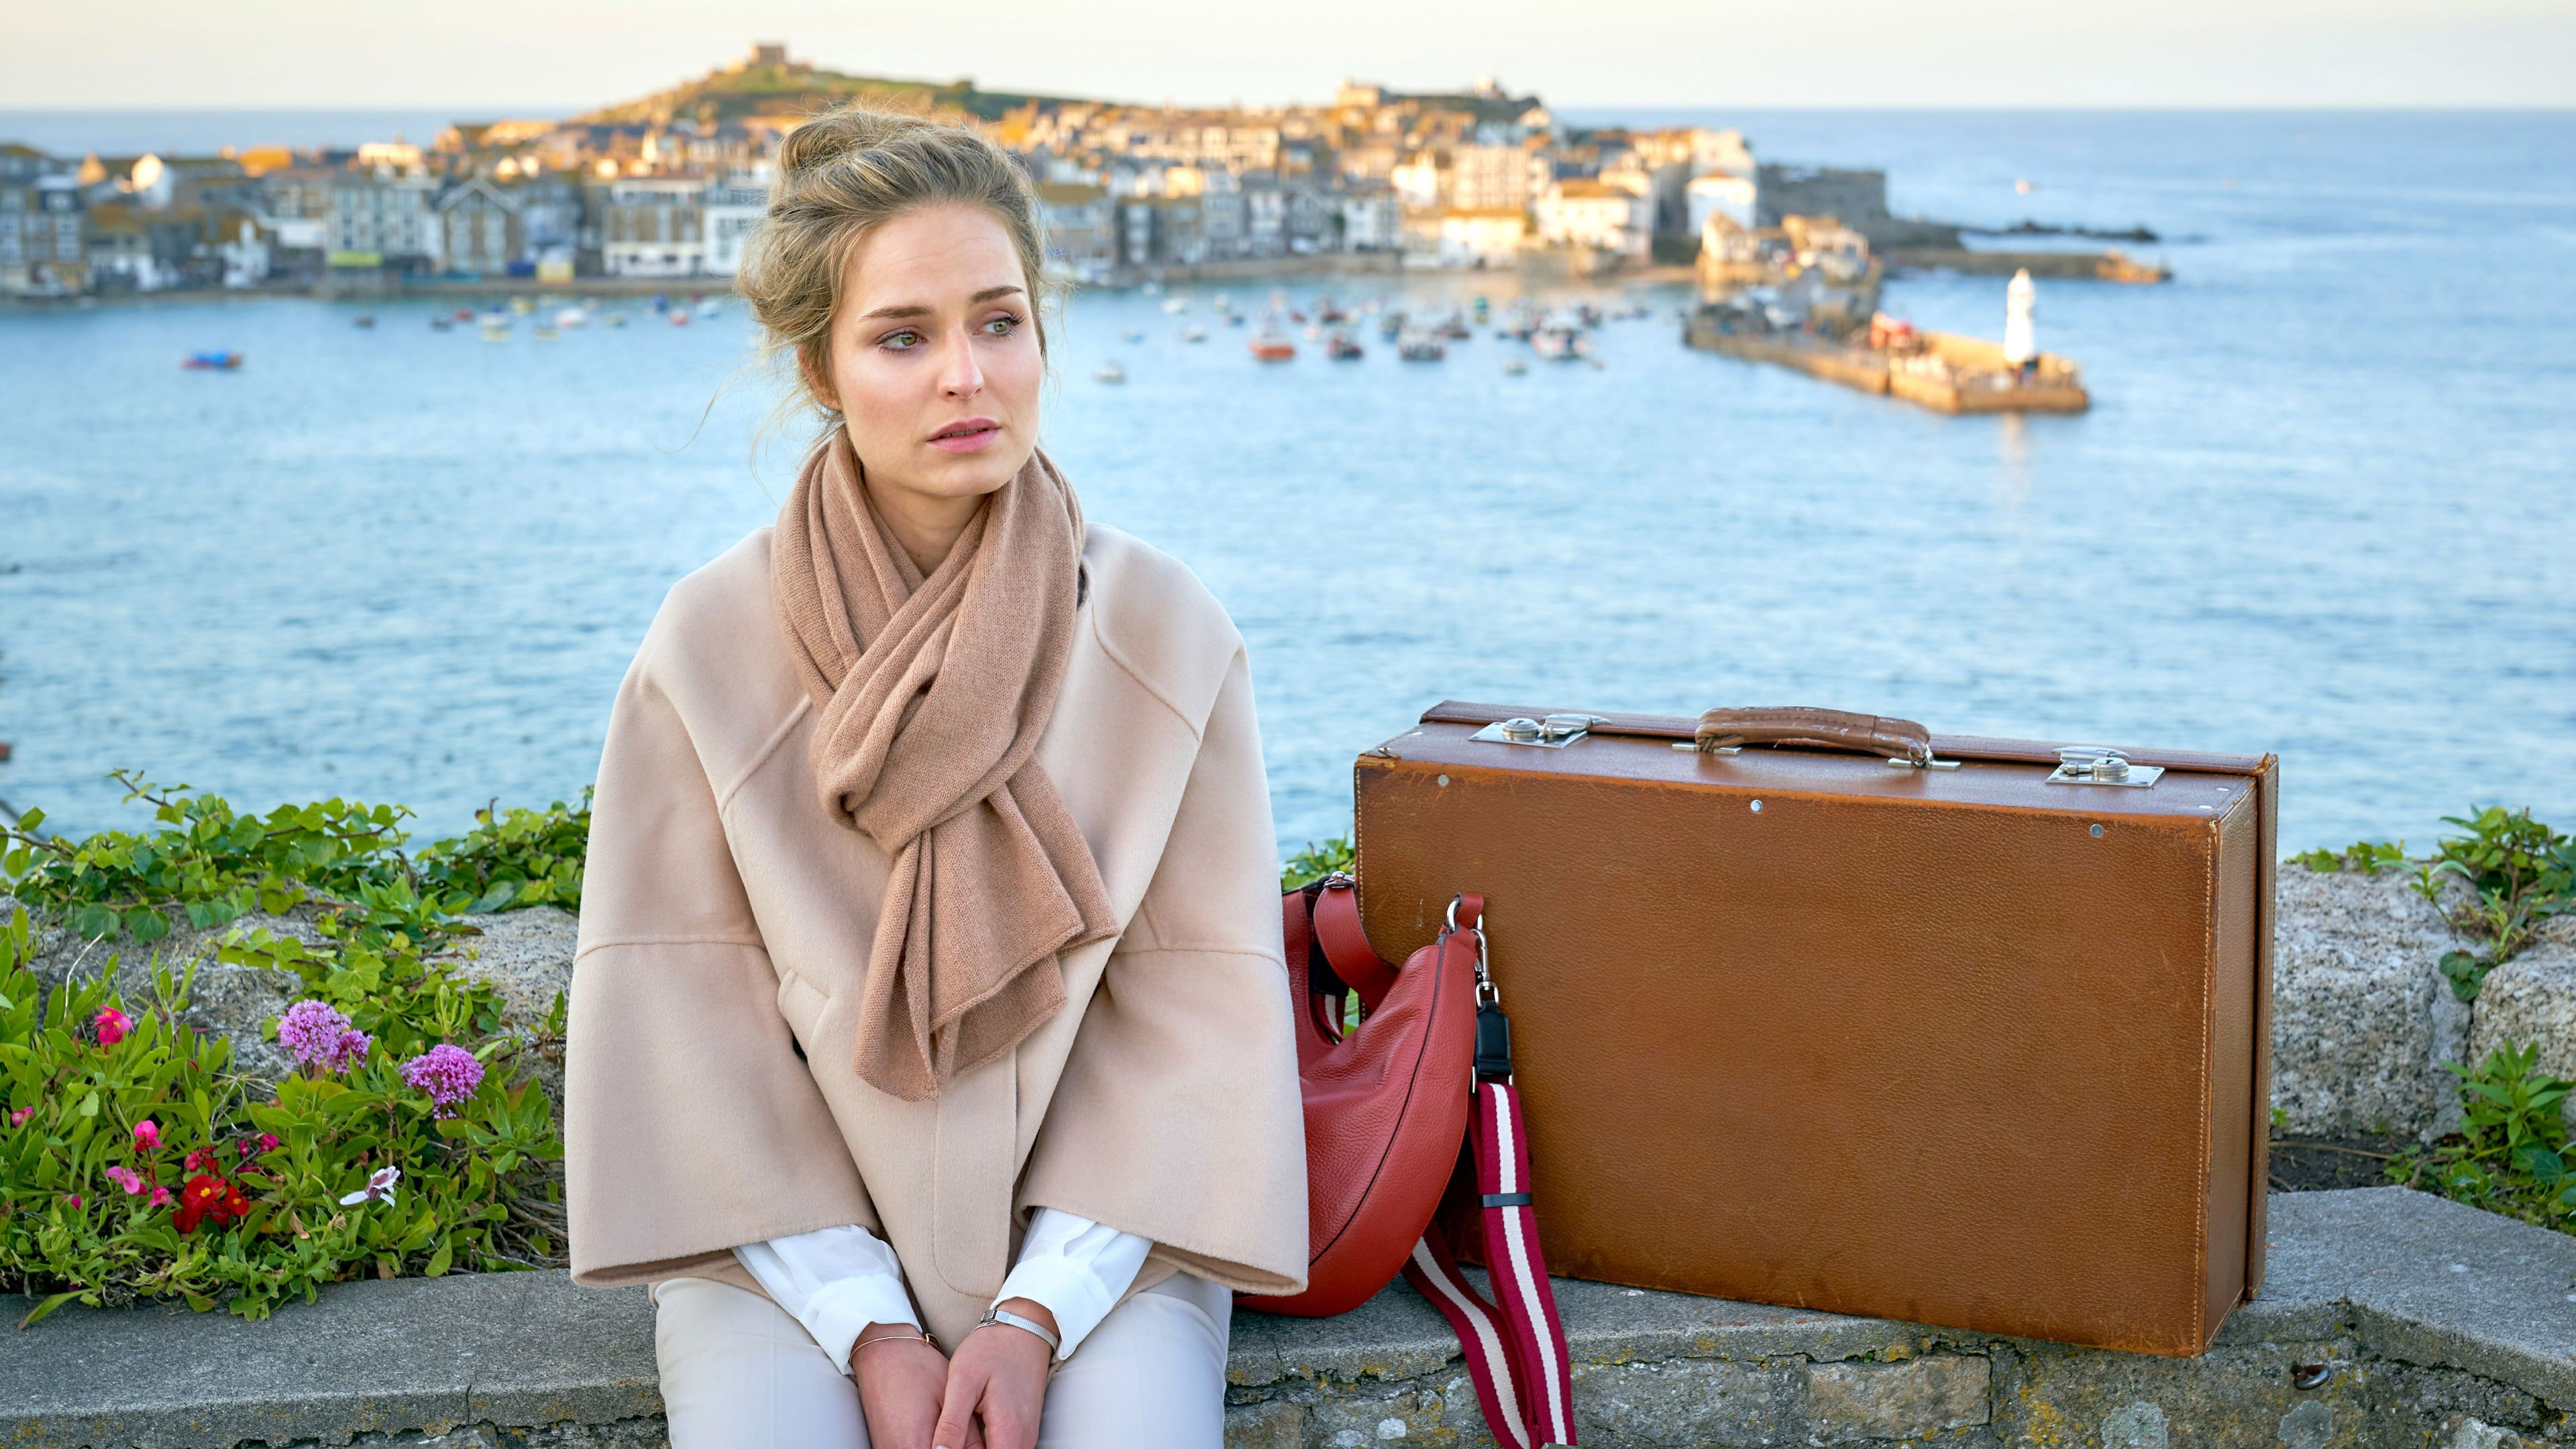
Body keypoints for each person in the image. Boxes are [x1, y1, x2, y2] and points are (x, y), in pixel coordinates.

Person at [563, 101, 1307, 1449]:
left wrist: (1038, 1314)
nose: (968, 374)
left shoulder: (1166, 634)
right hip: (778, 1246)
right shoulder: (706, 646)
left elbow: (1194, 1013)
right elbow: (688, 1020)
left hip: (1112, 1234)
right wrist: (867, 1318)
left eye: (1000, 321)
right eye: (904, 337)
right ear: (821, 367)